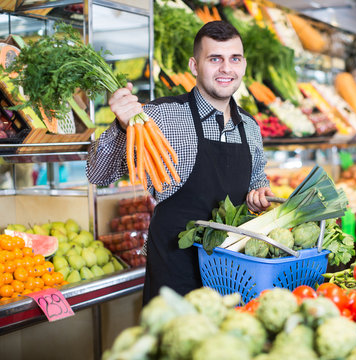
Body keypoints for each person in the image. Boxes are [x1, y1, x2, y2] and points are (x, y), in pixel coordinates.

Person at [86, 21, 273, 304]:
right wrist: (121, 127)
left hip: (233, 276)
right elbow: (98, 174)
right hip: (175, 275)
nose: (226, 68)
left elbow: (258, 182)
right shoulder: (160, 116)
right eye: (215, 59)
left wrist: (258, 197)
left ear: (243, 65)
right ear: (194, 66)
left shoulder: (250, 126)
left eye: (234, 59)